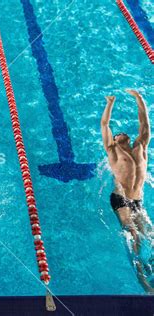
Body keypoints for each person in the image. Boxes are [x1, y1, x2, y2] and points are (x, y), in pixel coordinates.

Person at [101, 89, 152, 293]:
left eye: (122, 133)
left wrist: (139, 99)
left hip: (137, 201)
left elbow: (145, 125)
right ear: (114, 139)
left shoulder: (141, 147)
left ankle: (151, 267)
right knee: (133, 234)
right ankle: (142, 280)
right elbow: (105, 125)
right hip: (120, 198)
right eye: (116, 134)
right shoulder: (113, 150)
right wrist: (110, 103)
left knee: (151, 236)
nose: (119, 132)